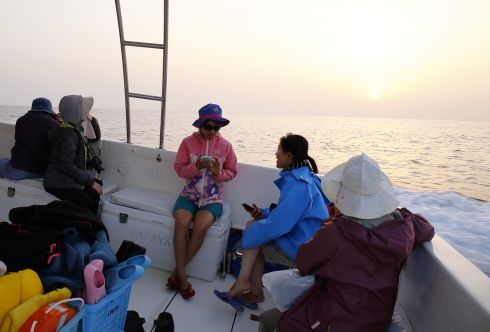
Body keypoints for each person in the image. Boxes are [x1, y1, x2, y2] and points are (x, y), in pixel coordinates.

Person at [259, 153, 435, 332]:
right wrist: (398, 214)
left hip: (334, 320)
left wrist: (332, 222)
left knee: (267, 320)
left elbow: (304, 263)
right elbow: (427, 228)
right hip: (377, 319)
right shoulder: (405, 228)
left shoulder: (335, 233)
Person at [215, 133, 328, 312]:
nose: (276, 154)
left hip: (302, 244)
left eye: (279, 150)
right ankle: (252, 290)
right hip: (306, 236)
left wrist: (251, 233)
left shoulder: (298, 184)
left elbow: (281, 225)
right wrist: (265, 214)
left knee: (252, 230)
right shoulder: (306, 175)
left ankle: (246, 284)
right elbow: (291, 212)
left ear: (289, 155)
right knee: (254, 227)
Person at [168, 104, 238, 299]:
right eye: (209, 127)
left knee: (200, 227)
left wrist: (218, 173)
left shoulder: (226, 146)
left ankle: (176, 275)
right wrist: (196, 167)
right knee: (181, 222)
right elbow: (180, 169)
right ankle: (182, 277)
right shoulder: (187, 143)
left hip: (212, 200)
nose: (213, 132)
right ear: (200, 126)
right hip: (188, 196)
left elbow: (232, 172)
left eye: (217, 127)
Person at [43, 95, 103, 215]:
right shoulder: (69, 135)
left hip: (65, 179)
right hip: (57, 183)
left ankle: (92, 227)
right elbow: (66, 165)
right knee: (86, 201)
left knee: (94, 196)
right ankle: (84, 228)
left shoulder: (71, 129)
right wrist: (90, 182)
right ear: (76, 113)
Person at [0, 97, 61, 186]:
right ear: (50, 110)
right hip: (43, 172)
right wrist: (59, 121)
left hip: (20, 170)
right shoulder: (57, 125)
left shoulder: (21, 120)